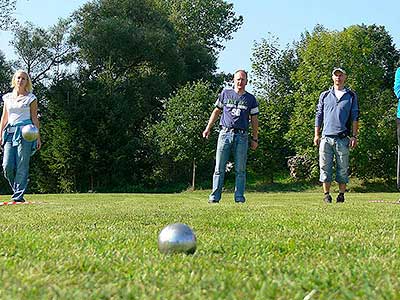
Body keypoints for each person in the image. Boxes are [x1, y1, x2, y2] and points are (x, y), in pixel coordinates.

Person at [202, 70, 259, 203]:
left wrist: (255, 138)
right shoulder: (225, 94)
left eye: (243, 79)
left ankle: (239, 197)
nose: (240, 82)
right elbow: (216, 111)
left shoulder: (251, 99)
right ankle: (214, 197)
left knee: (240, 169)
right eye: (238, 79)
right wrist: (208, 128)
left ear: (247, 82)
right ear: (233, 80)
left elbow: (255, 120)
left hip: (242, 136)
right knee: (219, 168)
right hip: (225, 134)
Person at [314, 67, 359, 203]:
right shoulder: (325, 95)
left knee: (343, 168)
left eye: (341, 75)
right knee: (324, 167)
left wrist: (354, 136)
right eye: (336, 75)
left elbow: (355, 117)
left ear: (345, 77)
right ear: (332, 78)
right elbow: (319, 115)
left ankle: (341, 194)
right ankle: (326, 194)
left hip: (343, 138)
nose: (338, 78)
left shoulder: (351, 95)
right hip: (326, 137)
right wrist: (316, 134)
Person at [0, 70, 41, 202]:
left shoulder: (31, 98)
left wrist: (38, 137)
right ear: (14, 80)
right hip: (9, 132)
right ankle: (17, 190)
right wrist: (0, 133)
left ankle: (18, 197)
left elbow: (35, 118)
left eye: (23, 78)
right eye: (18, 78)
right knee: (7, 166)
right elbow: (4, 118)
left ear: (27, 81)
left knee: (22, 164)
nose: (20, 80)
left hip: (26, 133)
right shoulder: (7, 98)